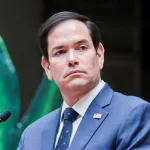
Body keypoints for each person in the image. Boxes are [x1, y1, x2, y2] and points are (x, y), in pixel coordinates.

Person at [17, 11, 150, 150]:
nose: (72, 59)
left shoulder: (134, 114)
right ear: (47, 67)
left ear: (99, 55)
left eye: (82, 48)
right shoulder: (32, 136)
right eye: (60, 52)